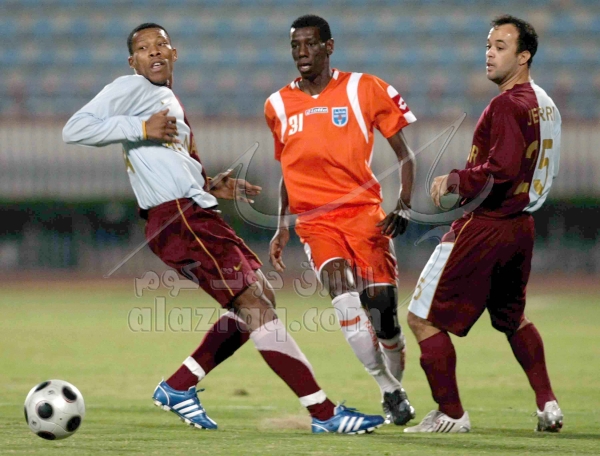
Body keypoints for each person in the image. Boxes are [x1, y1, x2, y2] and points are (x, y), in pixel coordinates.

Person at [63, 22, 385, 434]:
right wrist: (139, 129)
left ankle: (179, 386)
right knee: (254, 305)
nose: (155, 51)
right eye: (144, 48)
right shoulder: (133, 87)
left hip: (192, 211)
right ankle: (324, 414)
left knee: (258, 298)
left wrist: (210, 184)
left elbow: (166, 163)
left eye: (162, 44)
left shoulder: (164, 98)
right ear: (132, 61)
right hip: (180, 218)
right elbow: (74, 128)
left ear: (174, 53)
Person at [404, 15, 562, 433]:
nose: (490, 54)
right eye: (488, 45)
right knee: (512, 319)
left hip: (488, 223)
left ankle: (452, 415)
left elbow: (503, 168)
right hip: (522, 227)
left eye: (501, 47)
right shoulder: (544, 102)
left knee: (422, 318)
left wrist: (457, 179)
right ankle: (548, 404)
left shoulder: (506, 104)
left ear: (523, 56)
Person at [265, 14, 417, 426]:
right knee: (343, 296)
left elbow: (405, 154)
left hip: (364, 215)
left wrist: (403, 204)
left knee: (383, 313)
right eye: (295, 45)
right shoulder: (277, 105)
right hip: (315, 223)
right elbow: (287, 170)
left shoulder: (364, 88)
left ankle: (394, 375)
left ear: (329, 47)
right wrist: (281, 226)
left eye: (310, 44)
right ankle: (388, 389)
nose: (302, 53)